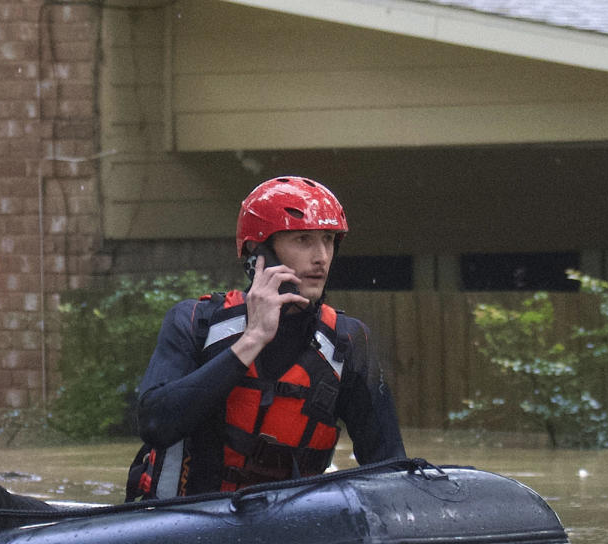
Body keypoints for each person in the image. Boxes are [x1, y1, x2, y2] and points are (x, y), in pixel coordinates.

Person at [126, 175, 404, 501]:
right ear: (260, 254)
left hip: (280, 537)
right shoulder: (192, 321)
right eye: (303, 240)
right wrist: (253, 338)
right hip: (183, 528)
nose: (322, 257)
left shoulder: (348, 343)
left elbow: (390, 469)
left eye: (328, 240)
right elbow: (156, 424)